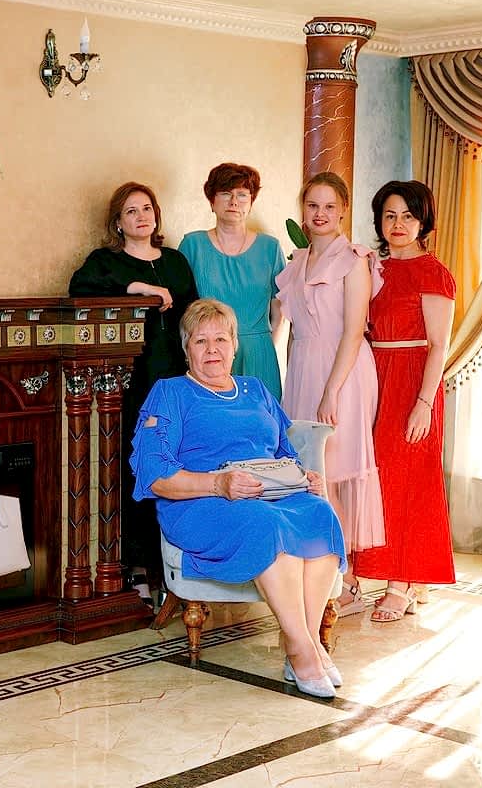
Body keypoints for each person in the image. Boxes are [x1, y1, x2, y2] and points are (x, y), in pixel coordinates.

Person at [131, 299, 346, 698]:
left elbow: (284, 452)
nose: (212, 349)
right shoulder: (171, 393)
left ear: (234, 345)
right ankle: (301, 650)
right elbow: (155, 476)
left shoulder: (255, 390)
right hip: (202, 502)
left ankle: (307, 641)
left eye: (221, 339)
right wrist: (218, 484)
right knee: (264, 523)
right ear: (187, 349)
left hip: (268, 494)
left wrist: (305, 476)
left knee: (320, 514)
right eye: (200, 341)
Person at [68, 181, 198, 603]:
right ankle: (138, 568)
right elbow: (79, 289)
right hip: (132, 383)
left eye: (146, 208)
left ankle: (177, 568)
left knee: (179, 467)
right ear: (118, 222)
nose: (141, 217)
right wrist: (137, 289)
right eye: (131, 211)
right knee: (138, 469)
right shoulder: (107, 262)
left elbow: (193, 316)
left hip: (176, 382)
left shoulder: (176, 261)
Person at [276, 172, 385, 616]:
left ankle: (349, 580)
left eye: (328, 206)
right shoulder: (297, 260)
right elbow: (288, 327)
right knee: (309, 473)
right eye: (312, 205)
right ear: (303, 210)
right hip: (303, 368)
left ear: (342, 211)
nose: (319, 214)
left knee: (334, 471)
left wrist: (331, 392)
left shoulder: (354, 260)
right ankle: (325, 572)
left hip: (343, 372)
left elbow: (354, 331)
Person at [353, 180, 457, 623]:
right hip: (373, 376)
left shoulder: (433, 272)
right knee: (373, 479)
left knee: (408, 482)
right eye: (390, 215)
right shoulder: (370, 267)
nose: (398, 224)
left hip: (413, 381)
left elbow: (439, 345)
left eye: (408, 216)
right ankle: (364, 578)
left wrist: (423, 403)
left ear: (423, 222)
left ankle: (402, 584)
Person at [179, 163, 287, 400]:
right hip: (210, 354)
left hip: (259, 353)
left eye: (242, 195)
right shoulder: (192, 245)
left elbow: (278, 311)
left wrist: (263, 346)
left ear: (251, 202)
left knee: (262, 418)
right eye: (226, 193)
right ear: (211, 200)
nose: (234, 202)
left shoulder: (270, 248)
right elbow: (182, 310)